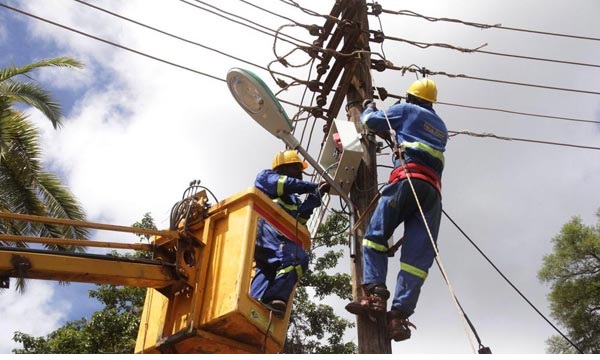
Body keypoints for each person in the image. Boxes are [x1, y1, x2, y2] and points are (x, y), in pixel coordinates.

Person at [345, 78, 448, 342]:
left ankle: (376, 296)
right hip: (432, 194)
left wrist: (367, 106)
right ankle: (399, 317)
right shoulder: (441, 127)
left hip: (407, 180)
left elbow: (371, 121)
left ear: (411, 97)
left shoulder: (407, 110)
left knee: (375, 237)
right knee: (417, 260)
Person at [250, 149, 330, 315]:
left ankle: (254, 308)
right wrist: (313, 185)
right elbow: (285, 184)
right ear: (283, 168)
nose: (300, 175)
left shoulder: (293, 200)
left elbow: (298, 221)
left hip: (277, 238)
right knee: (295, 258)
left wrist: (317, 195)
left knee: (269, 272)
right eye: (296, 169)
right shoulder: (265, 177)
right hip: (265, 232)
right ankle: (273, 297)